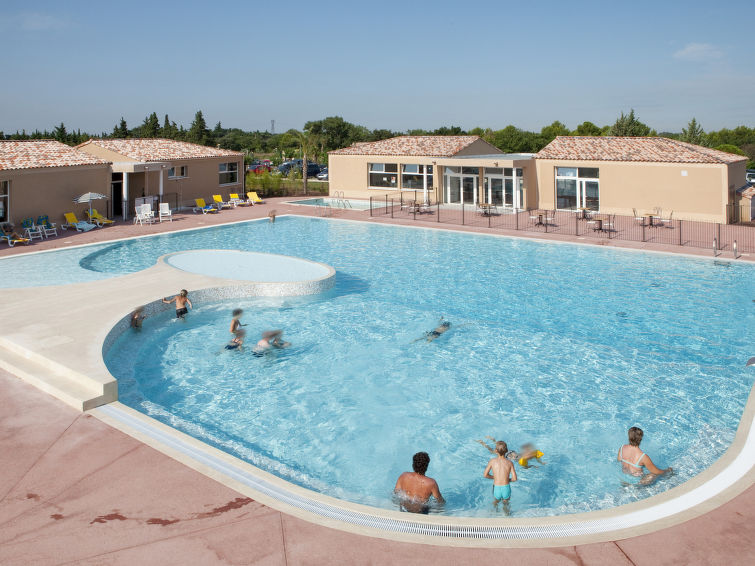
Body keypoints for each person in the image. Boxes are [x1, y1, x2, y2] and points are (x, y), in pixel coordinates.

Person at [483, 440, 517, 512]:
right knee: (506, 504)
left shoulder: (492, 461)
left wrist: (494, 477)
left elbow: (485, 475)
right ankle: (507, 516)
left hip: (496, 488)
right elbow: (514, 479)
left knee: (496, 501)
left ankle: (493, 513)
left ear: (496, 451)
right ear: (507, 451)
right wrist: (507, 479)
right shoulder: (510, 463)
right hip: (506, 488)